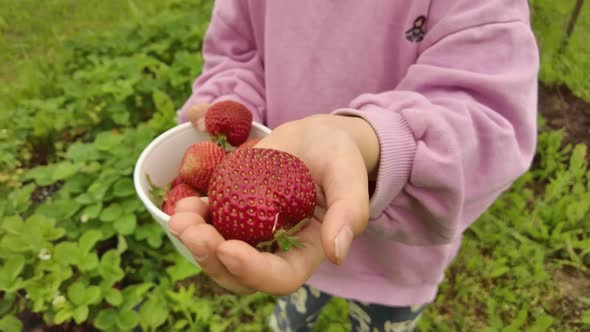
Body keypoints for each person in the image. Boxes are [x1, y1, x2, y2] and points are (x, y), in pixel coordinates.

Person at [168, 0, 539, 330]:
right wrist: (231, 104)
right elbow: (238, 50)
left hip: (396, 258)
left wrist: (372, 142)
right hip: (294, 230)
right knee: (293, 308)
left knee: (381, 320)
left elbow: (487, 116)